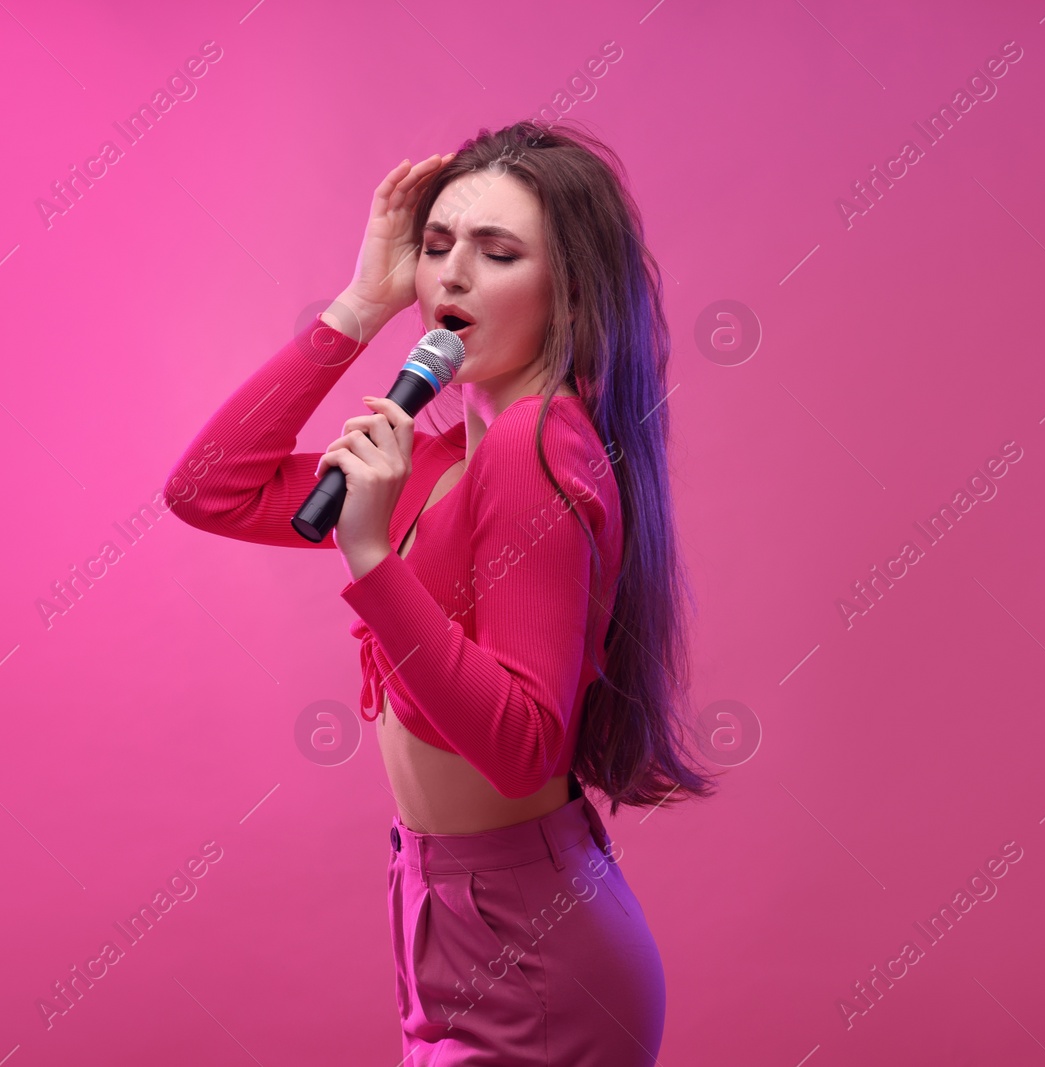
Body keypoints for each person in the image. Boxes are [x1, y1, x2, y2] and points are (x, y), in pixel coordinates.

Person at [165, 119, 717, 1065]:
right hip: (446, 917)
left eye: (496, 252)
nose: (450, 276)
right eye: (435, 247)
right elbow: (208, 487)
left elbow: (522, 745)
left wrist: (373, 561)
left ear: (570, 290)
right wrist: (358, 304)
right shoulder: (439, 459)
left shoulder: (536, 448)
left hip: (531, 953)